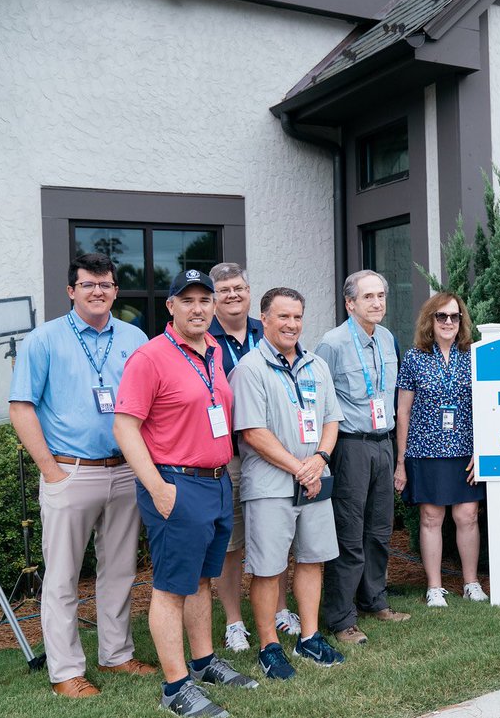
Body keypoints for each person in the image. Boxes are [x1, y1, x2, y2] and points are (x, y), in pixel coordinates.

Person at [8, 252, 154, 698]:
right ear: (72, 290)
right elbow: (20, 407)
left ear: (115, 290)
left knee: (120, 572)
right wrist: (50, 471)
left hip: (126, 471)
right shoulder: (45, 339)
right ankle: (66, 671)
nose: (98, 291)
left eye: (106, 284)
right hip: (71, 472)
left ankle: (116, 655)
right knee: (62, 578)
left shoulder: (134, 337)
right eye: (89, 284)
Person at [114, 269, 257, 718]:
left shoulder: (213, 350)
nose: (198, 308)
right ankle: (175, 688)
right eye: (188, 300)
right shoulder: (150, 357)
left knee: (200, 580)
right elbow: (124, 426)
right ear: (171, 307)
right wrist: (157, 487)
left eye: (205, 300)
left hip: (215, 481)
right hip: (175, 483)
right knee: (171, 587)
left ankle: (203, 661)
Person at [230, 287, 346, 679]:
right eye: (283, 317)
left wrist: (319, 460)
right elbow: (252, 432)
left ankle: (309, 637)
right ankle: (269, 645)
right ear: (264, 319)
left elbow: (331, 419)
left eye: (297, 316)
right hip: (271, 486)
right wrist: (300, 467)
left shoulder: (317, 365)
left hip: (316, 481)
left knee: (313, 559)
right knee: (268, 568)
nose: (292, 324)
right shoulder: (249, 369)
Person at [207, 262, 298, 653]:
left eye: (239, 288)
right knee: (231, 543)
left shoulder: (268, 332)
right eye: (224, 289)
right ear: (213, 297)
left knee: (274, 537)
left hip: (270, 453)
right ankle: (233, 621)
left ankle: (279, 610)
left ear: (249, 292)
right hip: (227, 455)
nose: (232, 295)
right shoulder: (203, 338)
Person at [317, 270, 410, 647]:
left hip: (382, 443)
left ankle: (375, 601)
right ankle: (341, 617)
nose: (377, 303)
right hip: (350, 446)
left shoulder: (387, 338)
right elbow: (320, 399)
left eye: (381, 296)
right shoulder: (332, 343)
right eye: (368, 297)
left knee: (379, 530)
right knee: (349, 534)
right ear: (349, 303)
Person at [395, 292, 487, 608]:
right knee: (431, 517)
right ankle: (435, 588)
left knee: (468, 516)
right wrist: (401, 462)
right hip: (425, 450)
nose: (448, 322)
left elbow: (487, 408)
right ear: (430, 320)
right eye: (441, 316)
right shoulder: (414, 358)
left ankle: (471, 582)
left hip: (465, 450)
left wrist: (483, 450)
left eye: (454, 316)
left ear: (461, 321)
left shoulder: (474, 356)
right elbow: (403, 411)